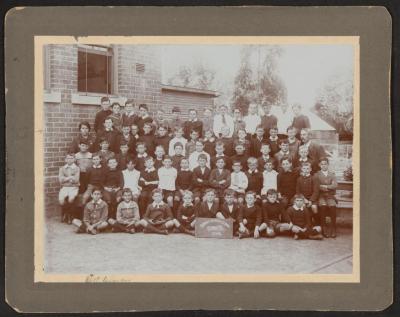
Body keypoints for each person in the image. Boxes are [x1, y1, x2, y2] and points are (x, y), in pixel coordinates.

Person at [315, 158, 338, 238]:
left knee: (333, 206)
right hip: (321, 196)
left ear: (328, 164)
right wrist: (329, 186)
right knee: (323, 206)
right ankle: (323, 228)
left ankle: (333, 228)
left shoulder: (332, 174)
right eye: (322, 164)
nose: (323, 165)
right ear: (319, 165)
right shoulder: (317, 174)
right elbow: (317, 186)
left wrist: (324, 186)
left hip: (330, 196)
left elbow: (335, 185)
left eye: (325, 164)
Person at [296, 162, 320, 230]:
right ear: (302, 170)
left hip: (312, 198)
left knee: (314, 207)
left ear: (310, 169)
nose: (306, 170)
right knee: (301, 206)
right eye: (304, 168)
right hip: (303, 198)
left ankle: (317, 223)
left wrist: (311, 201)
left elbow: (316, 191)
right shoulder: (299, 179)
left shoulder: (314, 178)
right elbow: (298, 191)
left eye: (307, 169)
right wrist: (304, 199)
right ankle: (304, 224)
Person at [58, 152, 80, 223]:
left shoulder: (77, 168)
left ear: (74, 160)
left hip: (73, 187)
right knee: (61, 201)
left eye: (71, 158)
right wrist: (70, 177)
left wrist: (65, 178)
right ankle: (65, 213)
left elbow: (76, 180)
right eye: (68, 158)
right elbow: (60, 180)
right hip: (64, 187)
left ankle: (70, 215)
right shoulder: (62, 168)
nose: (69, 160)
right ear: (65, 160)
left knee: (71, 199)